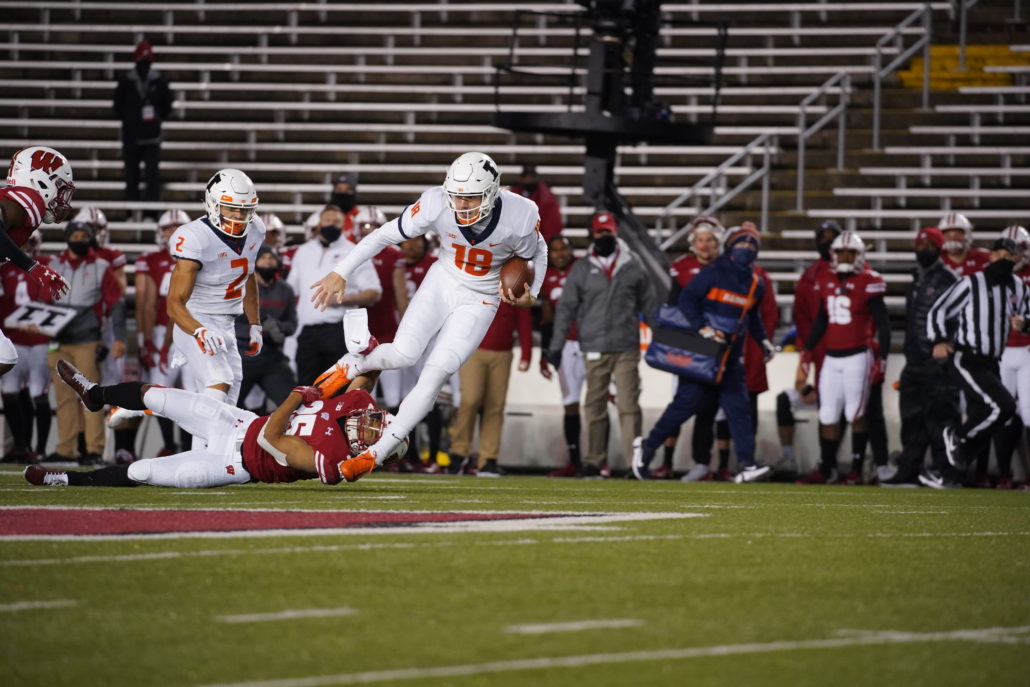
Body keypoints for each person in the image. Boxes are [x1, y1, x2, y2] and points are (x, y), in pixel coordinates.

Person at [308, 151, 546, 483]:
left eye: (471, 197)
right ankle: (356, 363)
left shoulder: (521, 214)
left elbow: (539, 250)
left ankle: (373, 455)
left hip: (481, 297)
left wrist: (533, 291)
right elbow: (385, 235)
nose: (462, 206)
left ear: (492, 192)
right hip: (443, 279)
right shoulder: (436, 203)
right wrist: (341, 270)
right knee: (404, 353)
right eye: (457, 197)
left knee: (436, 373)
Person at [25, 360, 408, 488]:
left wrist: (297, 395)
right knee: (156, 394)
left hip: (234, 463)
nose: (371, 423)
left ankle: (64, 479)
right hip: (236, 421)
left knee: (143, 471)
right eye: (379, 421)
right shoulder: (358, 404)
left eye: (377, 434)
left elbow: (274, 439)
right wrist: (367, 354)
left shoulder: (334, 460)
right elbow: (363, 378)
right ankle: (96, 394)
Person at [632, 223, 776, 484]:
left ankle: (746, 464)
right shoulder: (713, 272)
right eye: (741, 243)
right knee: (683, 407)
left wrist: (763, 340)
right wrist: (703, 328)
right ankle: (648, 447)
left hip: (729, 356)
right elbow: (687, 300)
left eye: (752, 244)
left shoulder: (757, 282)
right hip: (705, 352)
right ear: (731, 246)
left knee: (739, 410)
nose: (746, 248)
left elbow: (751, 316)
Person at [544, 211, 656, 478]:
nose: (604, 236)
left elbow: (650, 305)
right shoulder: (582, 268)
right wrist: (557, 346)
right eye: (600, 232)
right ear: (592, 234)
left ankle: (634, 463)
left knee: (629, 405)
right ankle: (594, 460)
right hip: (593, 344)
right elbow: (566, 309)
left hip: (626, 346)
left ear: (615, 232)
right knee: (594, 405)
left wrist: (662, 340)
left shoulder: (633, 264)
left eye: (608, 231)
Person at [928, 237, 1028, 488]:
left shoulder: (1018, 286)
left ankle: (949, 475)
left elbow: (1028, 315)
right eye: (999, 254)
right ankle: (957, 436)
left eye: (1009, 255)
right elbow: (938, 310)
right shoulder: (971, 282)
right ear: (990, 256)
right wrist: (939, 340)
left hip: (993, 360)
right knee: (1003, 407)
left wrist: (1025, 324)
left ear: (1017, 259)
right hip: (967, 356)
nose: (1003, 259)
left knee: (983, 415)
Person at [166, 169, 266, 407]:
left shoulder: (256, 229)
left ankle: (208, 446)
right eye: (231, 208)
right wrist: (198, 330)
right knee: (218, 381)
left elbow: (247, 276)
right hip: (196, 318)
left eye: (245, 210)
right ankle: (144, 402)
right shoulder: (194, 237)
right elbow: (174, 303)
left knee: (227, 403)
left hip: (227, 323)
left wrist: (255, 323)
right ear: (213, 204)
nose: (239, 217)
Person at [797, 231, 890, 485]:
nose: (846, 257)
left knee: (855, 413)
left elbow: (883, 324)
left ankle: (856, 469)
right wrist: (807, 351)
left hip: (858, 356)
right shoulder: (825, 278)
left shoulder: (870, 280)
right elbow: (820, 319)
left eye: (851, 252)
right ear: (833, 255)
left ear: (860, 255)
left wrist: (882, 358)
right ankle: (828, 469)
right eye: (841, 252)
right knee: (827, 414)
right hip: (831, 357)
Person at [882, 227, 959, 487]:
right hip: (914, 360)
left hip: (937, 361)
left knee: (940, 419)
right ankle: (910, 471)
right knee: (911, 419)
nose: (924, 249)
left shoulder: (949, 279)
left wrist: (948, 344)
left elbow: (959, 316)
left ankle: (946, 472)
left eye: (930, 244)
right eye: (920, 244)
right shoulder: (917, 278)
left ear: (939, 248)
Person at [45, 221, 123, 464]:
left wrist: (119, 336)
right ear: (67, 238)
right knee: (63, 397)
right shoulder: (54, 265)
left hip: (87, 339)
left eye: (83, 235)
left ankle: (94, 449)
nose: (79, 239)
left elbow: (116, 302)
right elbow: (42, 300)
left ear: (91, 238)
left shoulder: (100, 266)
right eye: (75, 235)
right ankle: (66, 448)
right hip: (57, 339)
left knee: (90, 395)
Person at [658, 216, 724, 481]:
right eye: (700, 240)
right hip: (688, 342)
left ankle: (702, 462)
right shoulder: (682, 267)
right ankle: (666, 462)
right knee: (680, 403)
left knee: (708, 406)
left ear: (717, 242)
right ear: (692, 242)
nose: (705, 245)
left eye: (709, 240)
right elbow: (673, 307)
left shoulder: (725, 268)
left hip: (715, 344)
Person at [286, 204, 381, 387]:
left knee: (336, 388)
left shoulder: (354, 251)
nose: (331, 225)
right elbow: (291, 290)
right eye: (327, 221)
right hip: (306, 331)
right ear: (319, 223)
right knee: (305, 387)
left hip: (338, 330)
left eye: (336, 222)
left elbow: (374, 292)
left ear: (344, 225)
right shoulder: (303, 251)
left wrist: (342, 299)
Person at [0, 146, 75, 377]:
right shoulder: (18, 202)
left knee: (5, 355)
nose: (61, 198)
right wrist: (33, 267)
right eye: (60, 188)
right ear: (41, 181)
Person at [776, 220, 840, 474]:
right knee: (788, 399)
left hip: (846, 352)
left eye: (831, 237)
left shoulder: (855, 273)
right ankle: (790, 459)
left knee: (846, 407)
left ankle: (839, 464)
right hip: (820, 354)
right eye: (822, 237)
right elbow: (803, 322)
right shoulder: (810, 276)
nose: (826, 242)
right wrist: (805, 384)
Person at [449, 301, 533, 476]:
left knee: (495, 406)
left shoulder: (514, 277)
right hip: (473, 349)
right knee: (470, 400)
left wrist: (526, 353)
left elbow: (523, 317)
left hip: (503, 351)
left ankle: (488, 459)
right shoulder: (479, 276)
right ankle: (459, 452)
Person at [134, 209, 191, 455]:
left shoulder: (194, 259)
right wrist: (144, 339)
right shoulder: (150, 259)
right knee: (161, 391)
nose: (172, 233)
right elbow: (144, 303)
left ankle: (190, 446)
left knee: (191, 391)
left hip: (190, 329)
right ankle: (169, 445)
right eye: (168, 228)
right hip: (159, 331)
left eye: (177, 227)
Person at [0, 231, 52, 463]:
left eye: (32, 241)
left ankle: (39, 449)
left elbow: (49, 300)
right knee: (10, 393)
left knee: (37, 393)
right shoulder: (6, 268)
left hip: (41, 340)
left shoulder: (46, 264)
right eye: (24, 241)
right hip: (14, 339)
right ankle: (22, 446)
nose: (27, 246)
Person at [539, 235, 586, 477]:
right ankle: (575, 461)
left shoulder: (584, 270)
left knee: (600, 402)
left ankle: (601, 462)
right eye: (554, 250)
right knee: (570, 403)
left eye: (563, 249)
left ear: (571, 251)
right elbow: (547, 319)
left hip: (592, 342)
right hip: (565, 345)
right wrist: (545, 353)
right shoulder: (546, 278)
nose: (559, 254)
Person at [235, 247, 298, 412]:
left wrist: (277, 327)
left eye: (272, 258)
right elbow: (228, 322)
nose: (268, 262)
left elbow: (292, 324)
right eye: (263, 258)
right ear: (255, 262)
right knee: (228, 407)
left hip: (272, 356)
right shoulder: (239, 287)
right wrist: (258, 330)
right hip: (242, 356)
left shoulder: (285, 290)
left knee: (293, 405)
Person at [113, 40, 174, 206]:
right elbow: (117, 106)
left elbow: (167, 105)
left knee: (152, 176)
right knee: (131, 175)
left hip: (152, 137)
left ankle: (151, 212)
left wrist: (156, 119)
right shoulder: (126, 82)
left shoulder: (159, 81)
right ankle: (132, 210)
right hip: (131, 137)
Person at [995, 225, 1030, 489]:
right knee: (1003, 412)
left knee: (1029, 413)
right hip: (1000, 351)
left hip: (1028, 349)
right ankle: (1004, 474)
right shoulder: (990, 277)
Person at [302, 174, 388, 244]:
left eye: (348, 190)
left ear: (354, 192)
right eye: (339, 189)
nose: (343, 193)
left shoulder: (363, 217)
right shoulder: (321, 216)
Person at [509, 164, 563, 243]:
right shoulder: (512, 196)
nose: (528, 180)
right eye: (526, 177)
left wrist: (541, 243)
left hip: (540, 243)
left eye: (531, 177)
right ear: (521, 178)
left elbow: (553, 225)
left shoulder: (546, 198)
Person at [939, 212, 989, 277]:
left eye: (957, 235)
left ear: (967, 235)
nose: (952, 239)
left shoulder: (984, 257)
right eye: (947, 236)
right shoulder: (936, 261)